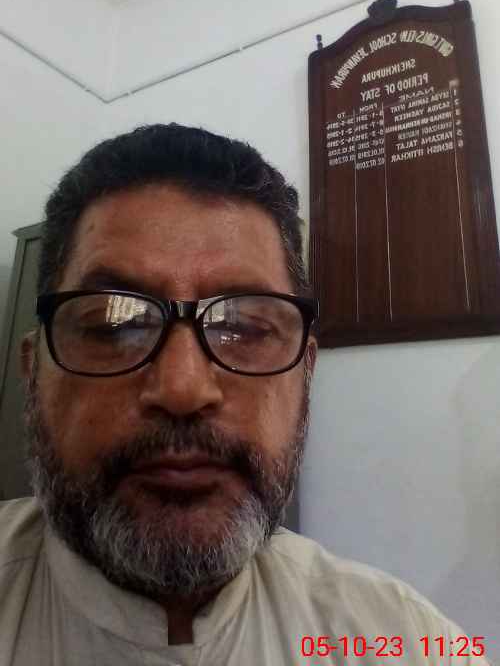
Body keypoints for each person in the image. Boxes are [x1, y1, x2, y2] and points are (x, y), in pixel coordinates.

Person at [0, 124, 492, 665]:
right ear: (33, 370)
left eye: (244, 327)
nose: (183, 388)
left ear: (305, 374)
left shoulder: (407, 640)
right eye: (114, 325)